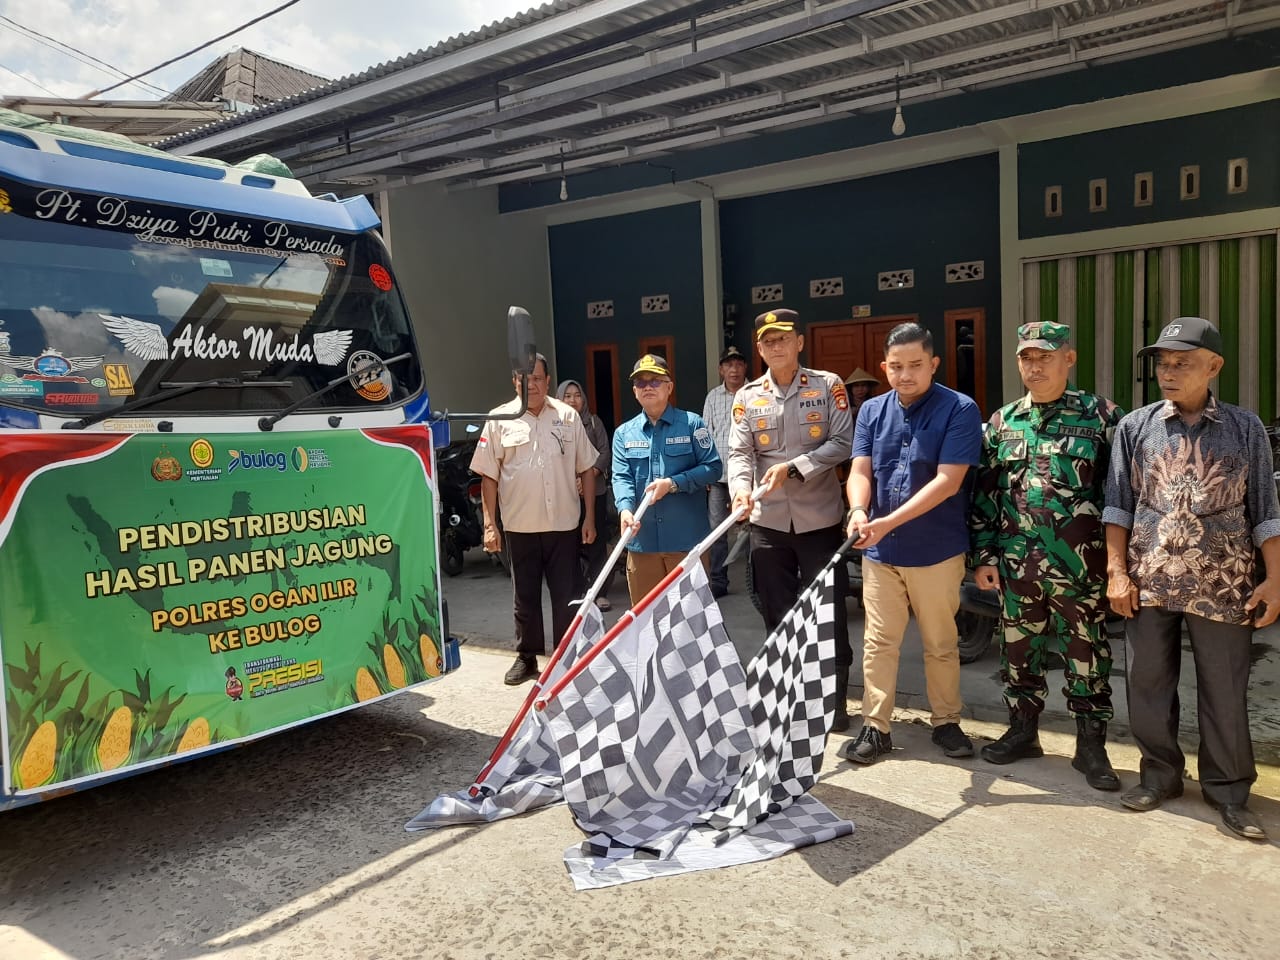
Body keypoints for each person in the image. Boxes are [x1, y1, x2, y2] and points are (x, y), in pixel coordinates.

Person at [1104, 316, 1280, 841]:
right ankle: (1160, 776)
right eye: (1163, 361)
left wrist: (1274, 579)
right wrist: (1116, 572)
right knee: (1146, 684)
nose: (1169, 371)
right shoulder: (1136, 427)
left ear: (1214, 366)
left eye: (1182, 362)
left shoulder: (1245, 428)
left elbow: (1266, 511)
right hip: (1151, 577)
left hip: (1225, 584)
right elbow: (1117, 506)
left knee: (1224, 687)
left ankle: (1228, 792)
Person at [970, 320, 1124, 790]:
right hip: (1018, 567)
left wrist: (1122, 564)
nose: (1034, 367)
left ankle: (1091, 745)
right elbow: (986, 495)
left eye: (1045, 357)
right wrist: (984, 556)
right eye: (1026, 358)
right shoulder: (1002, 421)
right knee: (1018, 652)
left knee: (1087, 654)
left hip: (1082, 567)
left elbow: (1123, 494)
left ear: (1068, 359)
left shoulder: (1103, 417)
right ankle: (1023, 730)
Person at [845, 321, 982, 763]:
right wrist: (859, 511)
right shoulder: (871, 410)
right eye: (897, 366)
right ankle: (876, 726)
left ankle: (946, 721)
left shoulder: (959, 409)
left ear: (934, 364)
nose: (905, 375)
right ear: (885, 366)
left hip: (935, 550)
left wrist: (886, 522)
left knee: (940, 642)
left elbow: (948, 481)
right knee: (879, 641)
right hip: (881, 552)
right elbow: (860, 470)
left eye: (916, 366)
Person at [728, 309, 853, 731]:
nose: (775, 346)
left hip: (819, 521)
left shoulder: (828, 385)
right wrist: (740, 490)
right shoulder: (747, 396)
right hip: (768, 523)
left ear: (800, 342)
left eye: (783, 338)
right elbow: (740, 453)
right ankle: (786, 696)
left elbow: (843, 442)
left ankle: (834, 702)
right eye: (767, 341)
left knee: (827, 611)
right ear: (759, 348)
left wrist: (795, 467)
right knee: (777, 612)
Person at [471, 354, 599, 686]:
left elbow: (586, 467)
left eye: (539, 378)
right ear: (515, 381)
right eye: (526, 379)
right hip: (520, 527)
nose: (534, 385)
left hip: (564, 524)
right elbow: (488, 476)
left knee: (566, 596)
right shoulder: (499, 419)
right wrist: (490, 524)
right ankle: (527, 658)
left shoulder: (568, 416)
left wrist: (589, 517)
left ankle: (565, 658)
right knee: (524, 597)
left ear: (547, 378)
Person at [612, 354, 722, 605]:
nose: (648, 386)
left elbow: (713, 467)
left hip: (685, 542)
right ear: (634, 391)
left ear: (669, 387)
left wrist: (673, 484)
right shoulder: (623, 434)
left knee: (691, 621)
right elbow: (621, 477)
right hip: (643, 542)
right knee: (644, 622)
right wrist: (625, 510)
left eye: (655, 380)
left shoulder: (692, 424)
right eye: (641, 382)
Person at [556, 378, 613, 611]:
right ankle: (578, 591)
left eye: (576, 395)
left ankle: (599, 592)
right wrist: (575, 481)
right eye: (567, 396)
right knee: (570, 544)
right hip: (566, 494)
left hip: (595, 492)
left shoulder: (593, 422)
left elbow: (604, 452)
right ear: (559, 399)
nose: (572, 400)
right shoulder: (554, 425)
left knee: (596, 543)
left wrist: (593, 473)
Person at [703, 344, 749, 598]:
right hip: (720, 476)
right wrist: (707, 471)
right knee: (717, 530)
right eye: (729, 364)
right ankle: (718, 580)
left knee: (757, 528)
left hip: (750, 475)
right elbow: (706, 437)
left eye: (739, 364)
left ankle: (759, 578)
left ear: (745, 367)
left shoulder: (755, 392)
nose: (734, 369)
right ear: (721, 370)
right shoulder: (713, 397)